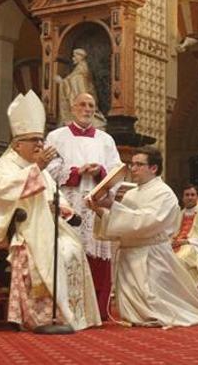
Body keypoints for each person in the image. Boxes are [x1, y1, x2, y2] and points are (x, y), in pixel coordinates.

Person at [0, 90, 101, 332]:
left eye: (41, 140)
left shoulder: (37, 166)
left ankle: (69, 315)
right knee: (55, 253)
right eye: (34, 140)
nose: (40, 145)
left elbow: (54, 193)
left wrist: (64, 209)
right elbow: (3, 192)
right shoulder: (4, 166)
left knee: (73, 248)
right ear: (17, 144)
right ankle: (42, 317)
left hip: (45, 227)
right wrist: (38, 168)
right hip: (19, 230)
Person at [89, 147, 198, 327]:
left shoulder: (164, 193)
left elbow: (147, 222)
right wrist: (100, 210)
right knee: (132, 311)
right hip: (129, 254)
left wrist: (112, 207)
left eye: (139, 164)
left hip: (151, 255)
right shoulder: (131, 193)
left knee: (153, 305)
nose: (133, 168)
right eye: (132, 164)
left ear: (153, 168)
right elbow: (122, 222)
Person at [46, 92, 122, 320]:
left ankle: (96, 312)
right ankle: (68, 311)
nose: (87, 109)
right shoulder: (56, 136)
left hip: (96, 204)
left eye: (91, 105)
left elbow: (116, 170)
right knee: (68, 252)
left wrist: (100, 171)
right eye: (82, 104)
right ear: (72, 107)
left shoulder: (105, 139)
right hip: (69, 204)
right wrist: (76, 172)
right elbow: (47, 170)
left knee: (97, 254)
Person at [55, 48, 107, 127]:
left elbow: (76, 88)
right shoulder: (80, 70)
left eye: (75, 56)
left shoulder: (80, 73)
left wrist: (61, 82)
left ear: (80, 57)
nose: (73, 58)